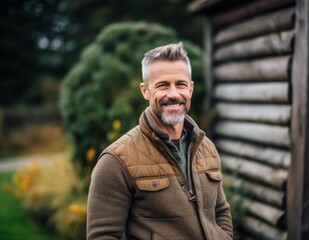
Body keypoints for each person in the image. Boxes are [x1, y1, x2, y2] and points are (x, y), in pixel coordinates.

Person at [87, 42, 233, 240]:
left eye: (180, 84)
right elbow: (102, 236)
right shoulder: (116, 160)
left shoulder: (206, 147)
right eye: (163, 85)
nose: (173, 94)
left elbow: (221, 211)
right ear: (145, 90)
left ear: (190, 89)